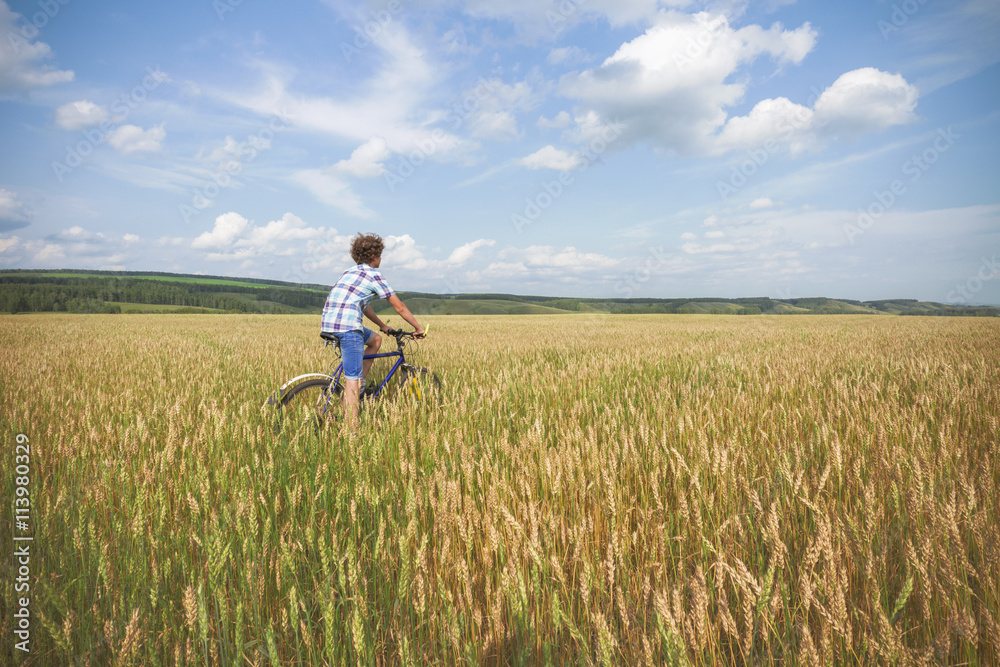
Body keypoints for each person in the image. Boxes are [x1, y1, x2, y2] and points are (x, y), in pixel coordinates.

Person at [320, 232, 425, 428]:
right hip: (348, 328)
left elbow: (363, 305)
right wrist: (417, 327)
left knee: (375, 340)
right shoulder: (374, 275)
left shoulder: (348, 272)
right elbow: (399, 306)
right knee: (352, 380)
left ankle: (361, 389)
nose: (381, 258)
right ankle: (351, 432)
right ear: (374, 256)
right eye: (380, 254)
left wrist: (382, 326)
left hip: (329, 324)